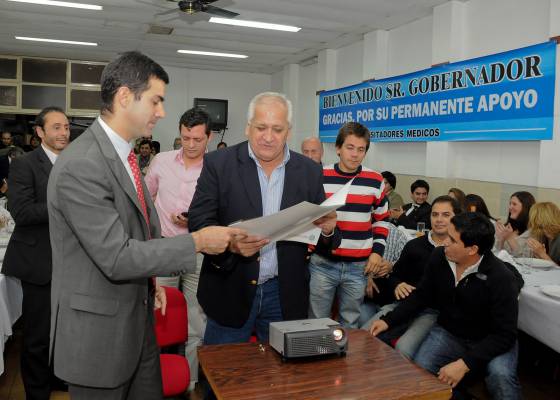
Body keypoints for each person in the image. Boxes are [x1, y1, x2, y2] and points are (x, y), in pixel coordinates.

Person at [47, 51, 243, 399]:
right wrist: (196, 241)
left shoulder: (126, 156)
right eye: (156, 100)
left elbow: (138, 231)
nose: (162, 111)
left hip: (137, 326)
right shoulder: (84, 164)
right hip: (99, 340)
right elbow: (117, 256)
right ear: (125, 96)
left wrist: (150, 287)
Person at [188, 91, 338, 345]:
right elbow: (199, 221)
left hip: (284, 295)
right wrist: (230, 245)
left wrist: (327, 230)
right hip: (230, 289)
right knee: (225, 377)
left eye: (277, 130)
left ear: (288, 132)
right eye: (261, 127)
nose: (268, 137)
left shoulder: (309, 171)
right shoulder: (219, 164)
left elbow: (324, 241)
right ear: (248, 127)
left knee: (280, 380)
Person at [370, 212, 522, 400]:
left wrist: (465, 363)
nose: (444, 243)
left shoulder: (501, 278)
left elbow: (505, 334)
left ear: (472, 249)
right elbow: (421, 296)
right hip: (451, 333)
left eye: (452, 239)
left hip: (491, 338)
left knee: (501, 377)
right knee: (423, 370)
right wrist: (388, 321)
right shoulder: (439, 257)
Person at [1, 106, 70, 400]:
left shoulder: (75, 163)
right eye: (56, 127)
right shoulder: (24, 164)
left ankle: (57, 379)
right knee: (38, 336)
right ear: (39, 132)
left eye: (66, 127)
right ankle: (37, 393)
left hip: (71, 262)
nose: (64, 132)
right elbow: (22, 211)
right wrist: (66, 208)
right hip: (39, 262)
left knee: (64, 331)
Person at [145, 107, 212, 387]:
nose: (191, 145)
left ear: (209, 137)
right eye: (186, 138)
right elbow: (145, 200)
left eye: (197, 139)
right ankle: (153, 379)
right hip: (164, 247)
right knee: (159, 314)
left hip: (198, 249)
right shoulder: (161, 161)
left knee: (196, 318)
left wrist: (193, 218)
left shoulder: (216, 167)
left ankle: (191, 381)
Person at [308, 121, 389, 328]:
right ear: (338, 148)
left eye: (361, 149)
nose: (355, 154)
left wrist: (377, 252)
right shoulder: (319, 176)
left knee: (350, 324)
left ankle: (343, 360)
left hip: (358, 267)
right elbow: (307, 217)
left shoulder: (375, 180)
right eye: (350, 147)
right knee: (317, 323)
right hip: (322, 264)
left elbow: (382, 219)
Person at [362, 195, 461, 360]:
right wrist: (398, 284)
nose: (439, 220)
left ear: (456, 218)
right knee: (366, 334)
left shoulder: (458, 251)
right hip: (403, 303)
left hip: (431, 312)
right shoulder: (415, 245)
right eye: (435, 215)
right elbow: (394, 275)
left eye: (446, 215)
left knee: (404, 348)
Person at [495, 191, 535, 256]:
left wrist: (509, 238)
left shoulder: (532, 232)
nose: (510, 207)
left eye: (514, 204)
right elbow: (497, 254)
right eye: (510, 204)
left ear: (525, 207)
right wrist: (501, 239)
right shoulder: (508, 227)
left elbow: (526, 259)